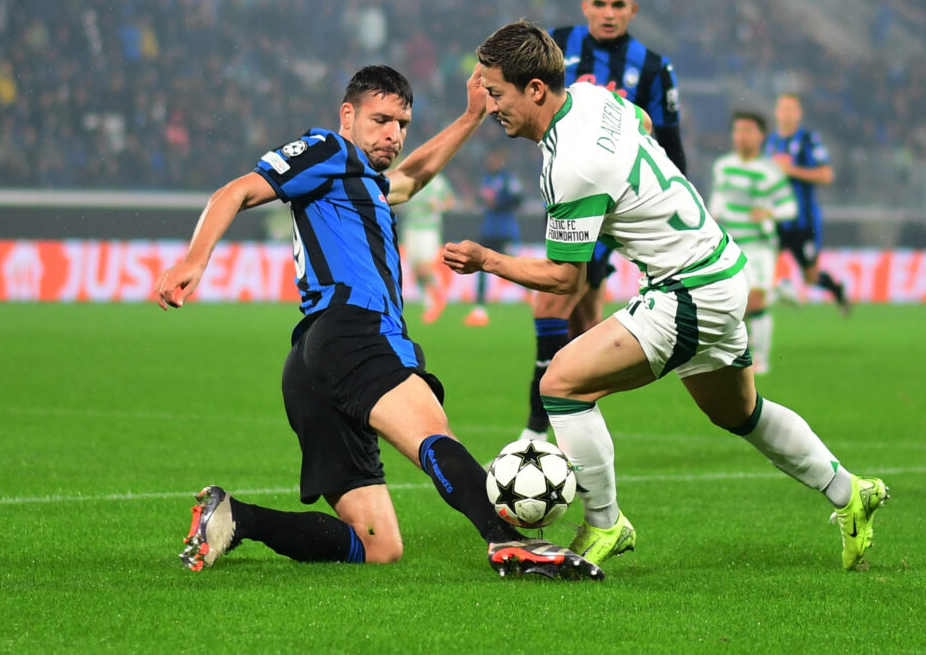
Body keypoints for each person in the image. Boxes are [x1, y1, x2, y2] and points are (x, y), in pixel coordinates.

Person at [443, 21, 889, 572]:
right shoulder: (592, 97)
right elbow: (643, 121)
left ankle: (604, 523)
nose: (490, 107)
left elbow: (565, 279)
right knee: (739, 412)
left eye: (496, 93)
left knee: (561, 384)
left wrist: (486, 260)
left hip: (689, 289)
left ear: (535, 89)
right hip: (721, 268)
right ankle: (850, 492)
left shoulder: (571, 165)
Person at [154, 64, 602, 581]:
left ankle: (236, 518)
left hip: (310, 365)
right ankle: (509, 542)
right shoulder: (328, 149)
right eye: (381, 120)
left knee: (377, 544)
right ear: (347, 116)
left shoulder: (360, 180)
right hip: (356, 332)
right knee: (432, 433)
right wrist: (195, 261)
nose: (393, 134)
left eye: (402, 123)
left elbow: (411, 179)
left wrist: (471, 116)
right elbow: (235, 192)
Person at [522, 0, 688, 442]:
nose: (608, 14)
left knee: (549, 305)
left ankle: (534, 437)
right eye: (599, 4)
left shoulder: (652, 68)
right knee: (583, 322)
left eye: (618, 6)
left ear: (632, 10)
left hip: (610, 206)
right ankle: (580, 425)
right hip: (564, 192)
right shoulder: (556, 45)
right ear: (585, 7)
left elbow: (671, 150)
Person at [708, 111, 798, 374]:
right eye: (738, 131)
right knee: (735, 303)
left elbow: (790, 208)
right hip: (731, 246)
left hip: (759, 246)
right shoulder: (723, 166)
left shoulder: (770, 172)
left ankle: (761, 360)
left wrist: (769, 212)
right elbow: (718, 198)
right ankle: (778, 290)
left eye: (748, 131)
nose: (742, 137)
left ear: (760, 136)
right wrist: (712, 219)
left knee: (755, 301)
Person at [764, 93, 850, 313]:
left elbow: (827, 176)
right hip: (775, 220)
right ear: (776, 112)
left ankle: (836, 289)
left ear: (799, 113)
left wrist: (790, 170)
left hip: (804, 222)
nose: (786, 114)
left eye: (791, 109)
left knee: (810, 277)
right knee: (762, 269)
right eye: (782, 108)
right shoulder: (770, 143)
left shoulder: (809, 140)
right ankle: (775, 295)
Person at [464, 148, 523, 327]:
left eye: (495, 159)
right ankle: (480, 306)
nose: (492, 163)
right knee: (481, 267)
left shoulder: (508, 179)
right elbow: (481, 199)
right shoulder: (487, 179)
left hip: (506, 231)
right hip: (489, 230)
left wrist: (498, 202)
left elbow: (518, 199)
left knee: (517, 267)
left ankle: (533, 294)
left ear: (500, 160)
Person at [399, 172, 455, 324]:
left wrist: (439, 206)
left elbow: (450, 200)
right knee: (416, 270)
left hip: (429, 230)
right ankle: (430, 304)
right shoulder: (408, 178)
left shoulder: (437, 181)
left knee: (424, 268)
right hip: (410, 229)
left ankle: (438, 293)